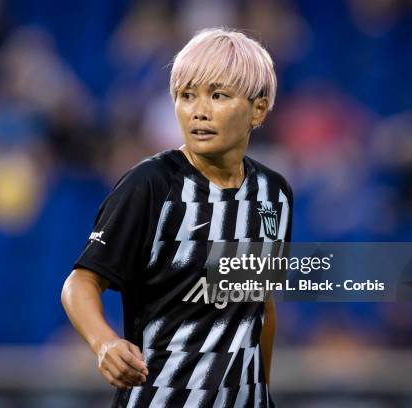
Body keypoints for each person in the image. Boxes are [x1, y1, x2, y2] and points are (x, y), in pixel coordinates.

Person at [62, 27, 292, 408]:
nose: (199, 110)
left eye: (218, 95)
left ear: (259, 109)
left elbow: (261, 307)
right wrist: (104, 343)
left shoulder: (275, 193)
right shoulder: (150, 184)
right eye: (187, 95)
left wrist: (261, 393)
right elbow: (81, 282)